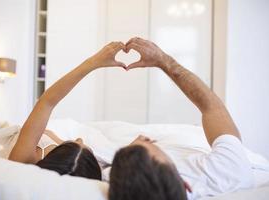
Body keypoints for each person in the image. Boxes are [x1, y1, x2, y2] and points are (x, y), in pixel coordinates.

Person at [108, 37, 253, 200]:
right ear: (187, 185)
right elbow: (211, 107)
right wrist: (163, 61)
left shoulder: (108, 176)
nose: (142, 139)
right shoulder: (227, 171)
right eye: (151, 144)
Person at [8, 41, 127, 180]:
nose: (79, 138)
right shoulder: (80, 171)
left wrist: (94, 62)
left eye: (75, 143)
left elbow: (47, 101)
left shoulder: (23, 159)